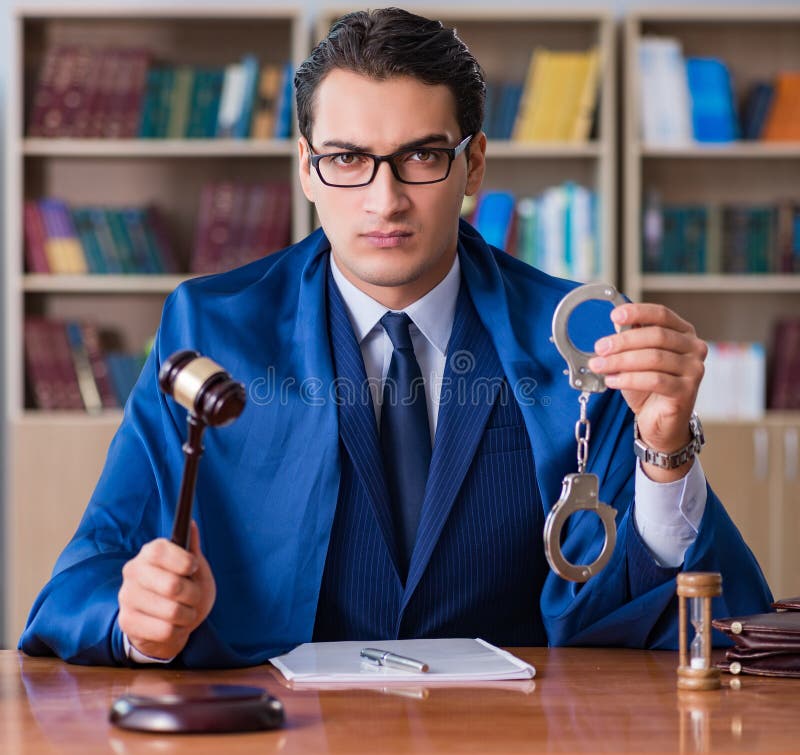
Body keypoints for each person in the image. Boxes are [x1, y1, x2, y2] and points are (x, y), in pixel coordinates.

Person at [21, 8, 771, 668]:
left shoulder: (579, 340)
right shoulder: (210, 328)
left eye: (421, 155)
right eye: (347, 159)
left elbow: (686, 611)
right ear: (309, 170)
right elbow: (85, 577)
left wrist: (667, 452)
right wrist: (137, 619)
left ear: (473, 164)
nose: (384, 200)